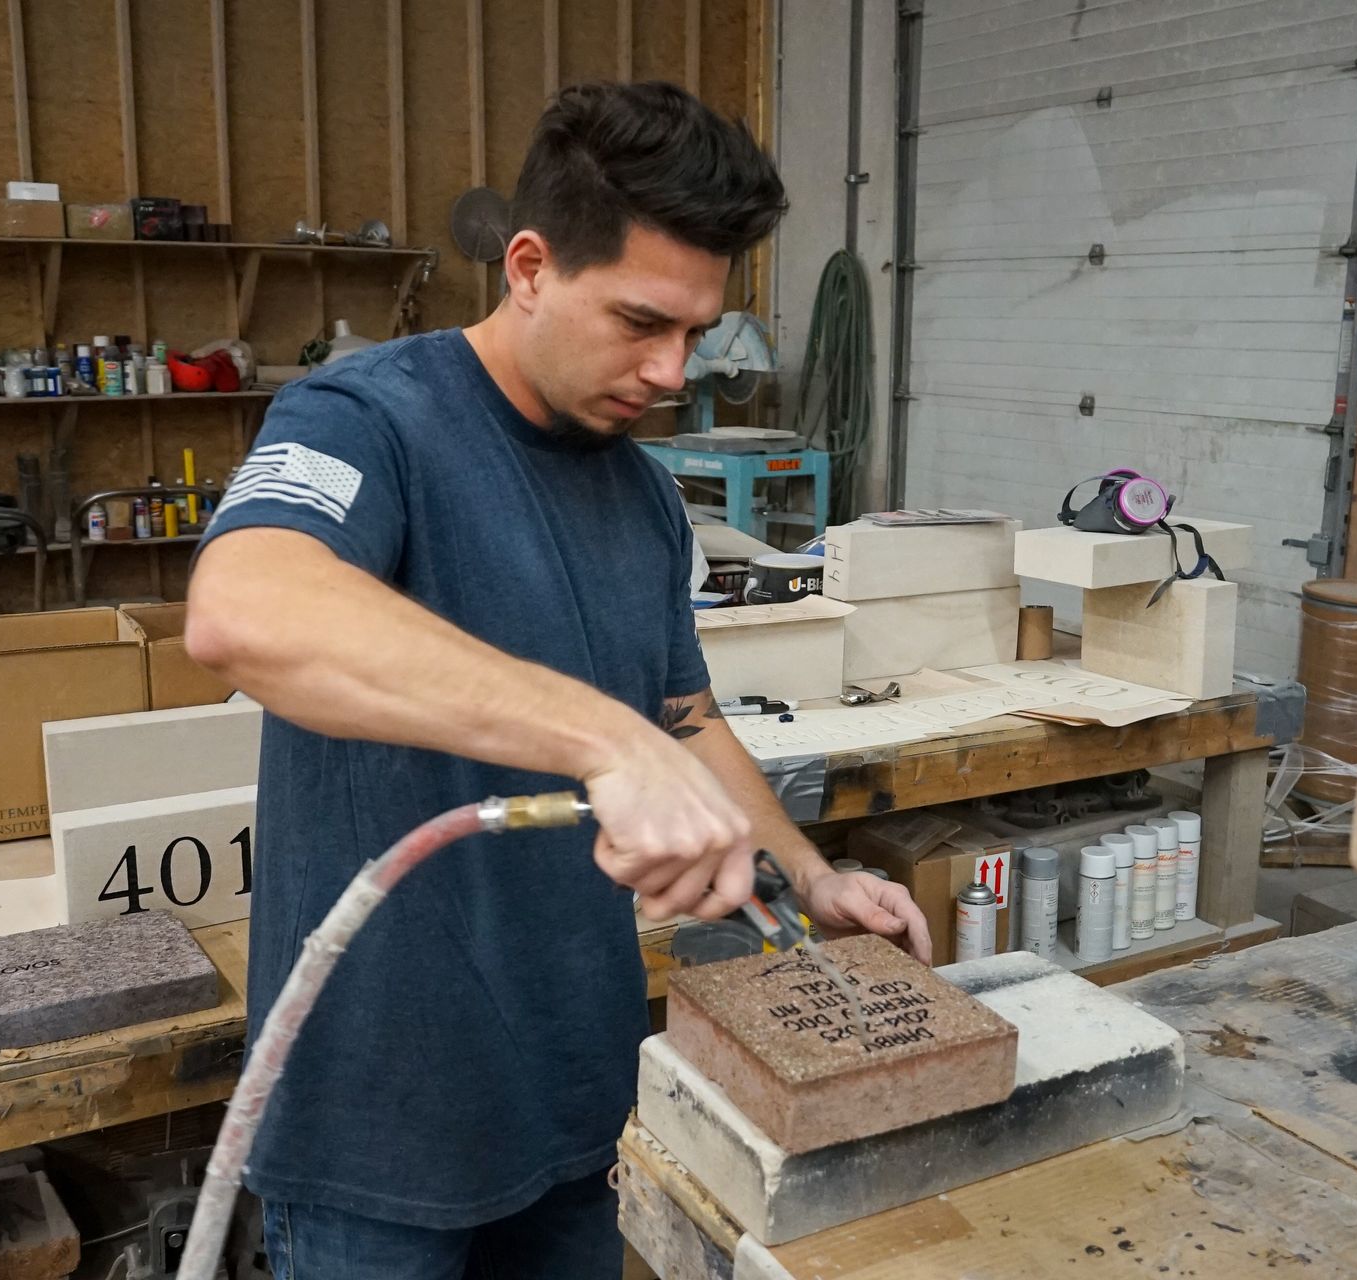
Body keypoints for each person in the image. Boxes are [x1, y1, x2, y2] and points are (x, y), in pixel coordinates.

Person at [185, 81, 932, 1280]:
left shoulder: (639, 488)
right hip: (384, 1120)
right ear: (528, 265)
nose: (674, 370)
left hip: (574, 1092)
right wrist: (602, 738)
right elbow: (242, 609)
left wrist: (807, 874)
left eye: (695, 332)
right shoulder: (366, 418)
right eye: (641, 321)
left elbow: (683, 718)